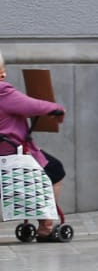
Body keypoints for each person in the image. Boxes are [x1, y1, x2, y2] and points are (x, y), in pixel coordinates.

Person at [0, 48, 66, 238]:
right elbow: (31, 106)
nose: (4, 73)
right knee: (55, 171)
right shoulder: (3, 92)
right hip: (15, 154)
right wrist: (56, 108)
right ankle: (46, 224)